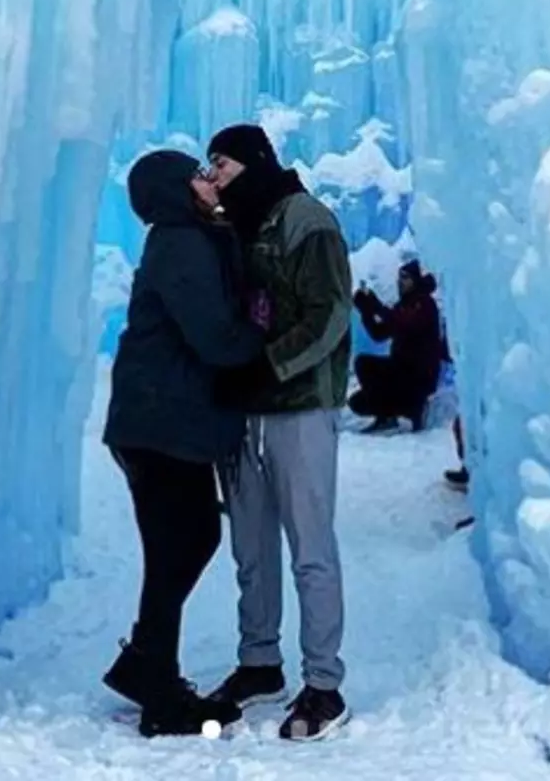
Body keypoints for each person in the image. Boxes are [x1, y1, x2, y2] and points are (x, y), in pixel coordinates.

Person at [101, 149, 265, 738]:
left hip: (161, 423)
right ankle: (160, 694)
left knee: (184, 542)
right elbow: (217, 338)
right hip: (159, 425)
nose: (207, 180)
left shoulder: (190, 239)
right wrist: (265, 329)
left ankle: (147, 666)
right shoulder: (181, 244)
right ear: (174, 190)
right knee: (182, 543)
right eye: (196, 174)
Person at [204, 123, 353, 742]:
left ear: (256, 163)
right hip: (245, 411)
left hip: (298, 407)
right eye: (209, 168)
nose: (214, 178)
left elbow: (330, 312)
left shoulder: (304, 219)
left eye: (223, 167)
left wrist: (268, 364)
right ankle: (259, 661)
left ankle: (324, 684)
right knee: (252, 546)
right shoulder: (235, 227)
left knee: (309, 547)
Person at [349, 260, 445, 434]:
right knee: (358, 402)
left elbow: (403, 322)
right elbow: (379, 333)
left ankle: (414, 408)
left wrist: (375, 306)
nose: (400, 281)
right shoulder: (404, 306)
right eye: (399, 277)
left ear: (416, 280)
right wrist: (366, 310)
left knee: (365, 365)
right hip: (402, 371)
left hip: (418, 376)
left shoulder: (424, 304)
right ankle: (390, 415)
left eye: (405, 277)